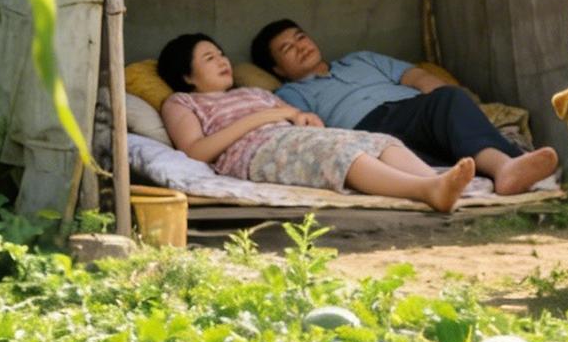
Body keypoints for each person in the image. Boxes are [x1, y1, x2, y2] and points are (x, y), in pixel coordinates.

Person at [155, 34, 476, 212]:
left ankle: (447, 184)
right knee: (334, 154)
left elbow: (296, 117)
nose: (223, 61)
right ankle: (426, 189)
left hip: (291, 137)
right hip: (255, 151)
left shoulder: (254, 92)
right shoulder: (182, 102)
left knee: (375, 140)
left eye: (222, 54)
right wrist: (266, 118)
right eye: (209, 58)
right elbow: (196, 151)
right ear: (186, 75)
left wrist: (303, 118)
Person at [249, 21, 560, 197]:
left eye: (301, 37)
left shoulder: (361, 59)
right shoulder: (290, 93)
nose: (301, 46)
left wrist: (459, 106)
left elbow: (418, 77)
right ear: (278, 68)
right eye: (288, 49)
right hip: (370, 133)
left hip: (418, 111)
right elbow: (311, 131)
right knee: (447, 113)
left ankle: (505, 169)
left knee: (449, 99)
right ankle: (504, 166)